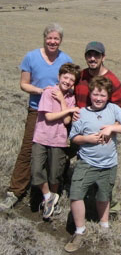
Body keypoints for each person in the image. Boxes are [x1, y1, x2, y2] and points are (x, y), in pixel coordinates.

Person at [0, 23, 72, 210]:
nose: (52, 42)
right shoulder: (31, 57)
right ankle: (15, 191)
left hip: (60, 114)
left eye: (56, 39)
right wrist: (42, 91)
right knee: (27, 151)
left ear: (61, 41)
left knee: (56, 154)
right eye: (50, 38)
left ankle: (51, 196)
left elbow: (70, 83)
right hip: (37, 111)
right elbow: (24, 84)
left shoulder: (65, 60)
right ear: (44, 38)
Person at [64, 76, 121, 252]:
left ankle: (105, 226)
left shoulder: (114, 109)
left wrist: (112, 128)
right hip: (86, 163)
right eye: (95, 94)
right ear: (90, 93)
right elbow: (74, 137)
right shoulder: (82, 113)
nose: (98, 98)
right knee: (76, 194)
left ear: (108, 96)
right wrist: (87, 138)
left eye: (102, 95)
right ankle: (80, 231)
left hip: (109, 164)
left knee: (104, 195)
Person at [31, 63, 80, 219]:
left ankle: (51, 202)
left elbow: (66, 121)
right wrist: (67, 108)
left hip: (58, 140)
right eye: (65, 77)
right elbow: (49, 116)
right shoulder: (49, 92)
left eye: (72, 79)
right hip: (41, 137)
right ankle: (48, 197)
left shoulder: (71, 97)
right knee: (37, 169)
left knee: (55, 174)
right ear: (59, 77)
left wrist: (62, 101)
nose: (67, 81)